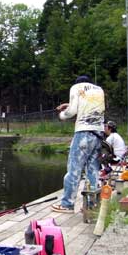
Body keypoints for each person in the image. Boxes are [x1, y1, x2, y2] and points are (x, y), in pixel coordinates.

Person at [51, 75, 105, 213]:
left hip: (83, 133)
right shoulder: (99, 89)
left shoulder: (76, 87)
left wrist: (63, 114)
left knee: (74, 169)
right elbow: (87, 105)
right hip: (98, 134)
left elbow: (71, 112)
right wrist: (68, 104)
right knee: (93, 170)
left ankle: (67, 204)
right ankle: (92, 204)